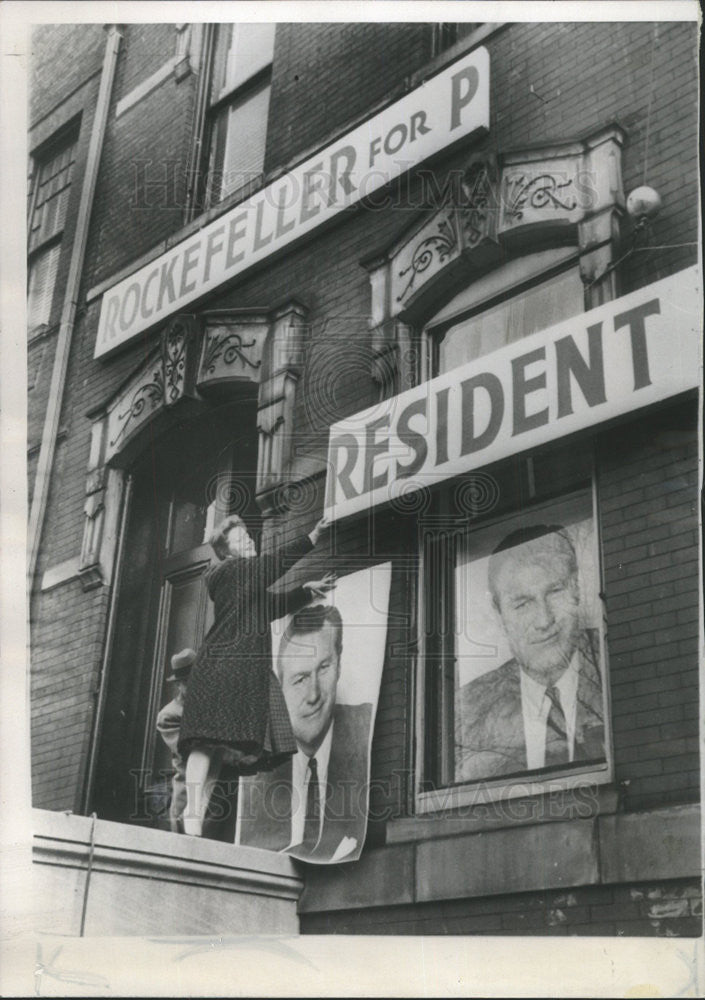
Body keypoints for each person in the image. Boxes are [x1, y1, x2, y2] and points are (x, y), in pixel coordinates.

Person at [178, 513, 331, 837]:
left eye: (248, 534)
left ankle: (194, 823)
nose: (248, 539)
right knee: (205, 744)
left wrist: (305, 592)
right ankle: (191, 814)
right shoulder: (233, 572)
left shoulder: (244, 580)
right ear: (227, 549)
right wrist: (312, 536)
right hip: (222, 669)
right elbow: (275, 563)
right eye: (239, 538)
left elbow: (269, 605)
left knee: (214, 749)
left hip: (227, 668)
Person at [455, 524, 604, 782]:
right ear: (498, 612)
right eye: (522, 604)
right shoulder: (467, 713)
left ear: (576, 589)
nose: (544, 620)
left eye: (555, 591)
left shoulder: (612, 665)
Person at [236, 603, 373, 863]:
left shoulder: (363, 731)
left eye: (324, 669)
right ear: (279, 687)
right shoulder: (256, 759)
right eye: (299, 680)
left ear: (339, 665)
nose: (314, 695)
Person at [155, 648, 196, 832]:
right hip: (189, 795)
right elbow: (190, 750)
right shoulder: (169, 715)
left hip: (223, 792)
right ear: (179, 684)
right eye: (188, 682)